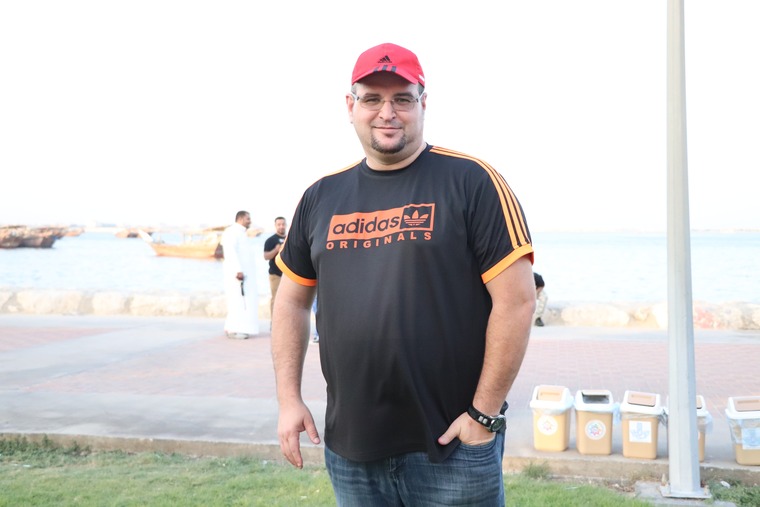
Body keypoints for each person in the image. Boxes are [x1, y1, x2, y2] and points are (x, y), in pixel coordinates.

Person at [271, 42, 536, 506]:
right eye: (372, 98)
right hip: (351, 449)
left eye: (402, 99)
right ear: (350, 106)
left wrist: (483, 415)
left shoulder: (473, 182)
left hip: (451, 446)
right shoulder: (320, 197)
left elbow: (516, 301)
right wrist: (288, 399)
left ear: (423, 104)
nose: (387, 112)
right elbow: (291, 301)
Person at [220, 210, 259, 339]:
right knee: (236, 301)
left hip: (244, 275)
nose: (250, 221)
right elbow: (230, 252)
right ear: (241, 219)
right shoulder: (231, 232)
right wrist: (238, 270)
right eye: (248, 219)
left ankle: (239, 328)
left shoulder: (242, 233)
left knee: (243, 302)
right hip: (236, 275)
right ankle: (234, 329)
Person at [263, 216, 287, 322]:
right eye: (279, 224)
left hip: (288, 275)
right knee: (276, 299)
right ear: (275, 226)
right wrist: (276, 250)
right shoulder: (270, 240)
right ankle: (274, 323)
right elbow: (266, 256)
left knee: (288, 300)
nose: (281, 226)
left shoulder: (289, 239)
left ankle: (285, 322)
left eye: (283, 224)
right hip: (275, 274)